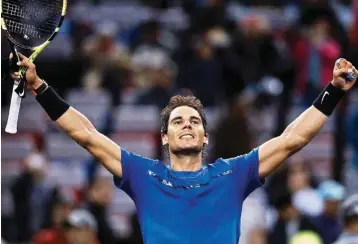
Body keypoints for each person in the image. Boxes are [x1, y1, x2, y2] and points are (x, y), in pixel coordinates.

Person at [9, 54, 358, 243]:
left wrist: (333, 91)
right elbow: (85, 134)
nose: (187, 125)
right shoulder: (143, 175)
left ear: (205, 137)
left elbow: (292, 139)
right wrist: (39, 86)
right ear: (164, 138)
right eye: (177, 121)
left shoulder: (232, 174)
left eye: (194, 121)